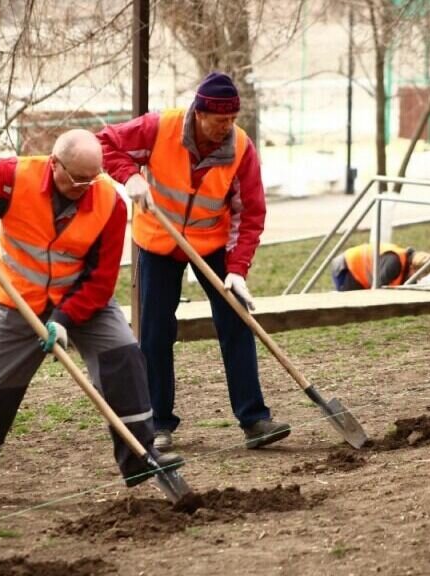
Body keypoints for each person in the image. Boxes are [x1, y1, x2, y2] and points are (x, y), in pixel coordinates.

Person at [0, 129, 183, 508]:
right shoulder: (14, 178)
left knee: (124, 357)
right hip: (20, 304)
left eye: (91, 178)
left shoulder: (109, 204)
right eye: (76, 177)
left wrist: (64, 318)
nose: (84, 185)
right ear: (55, 163)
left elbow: (101, 281)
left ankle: (141, 457)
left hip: (83, 302)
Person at [97, 71, 290, 452]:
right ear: (199, 113)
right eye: (220, 120)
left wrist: (237, 270)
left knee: (237, 322)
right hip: (159, 241)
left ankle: (254, 419)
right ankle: (158, 422)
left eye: (233, 119)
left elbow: (249, 212)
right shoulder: (160, 128)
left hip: (213, 244)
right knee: (154, 331)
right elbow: (102, 144)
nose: (227, 128)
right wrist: (129, 176)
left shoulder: (240, 148)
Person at [330, 243, 430, 291]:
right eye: (418, 276)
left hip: (353, 270)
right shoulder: (394, 263)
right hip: (346, 268)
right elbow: (377, 288)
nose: (418, 279)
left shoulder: (404, 262)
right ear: (412, 267)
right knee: (352, 308)